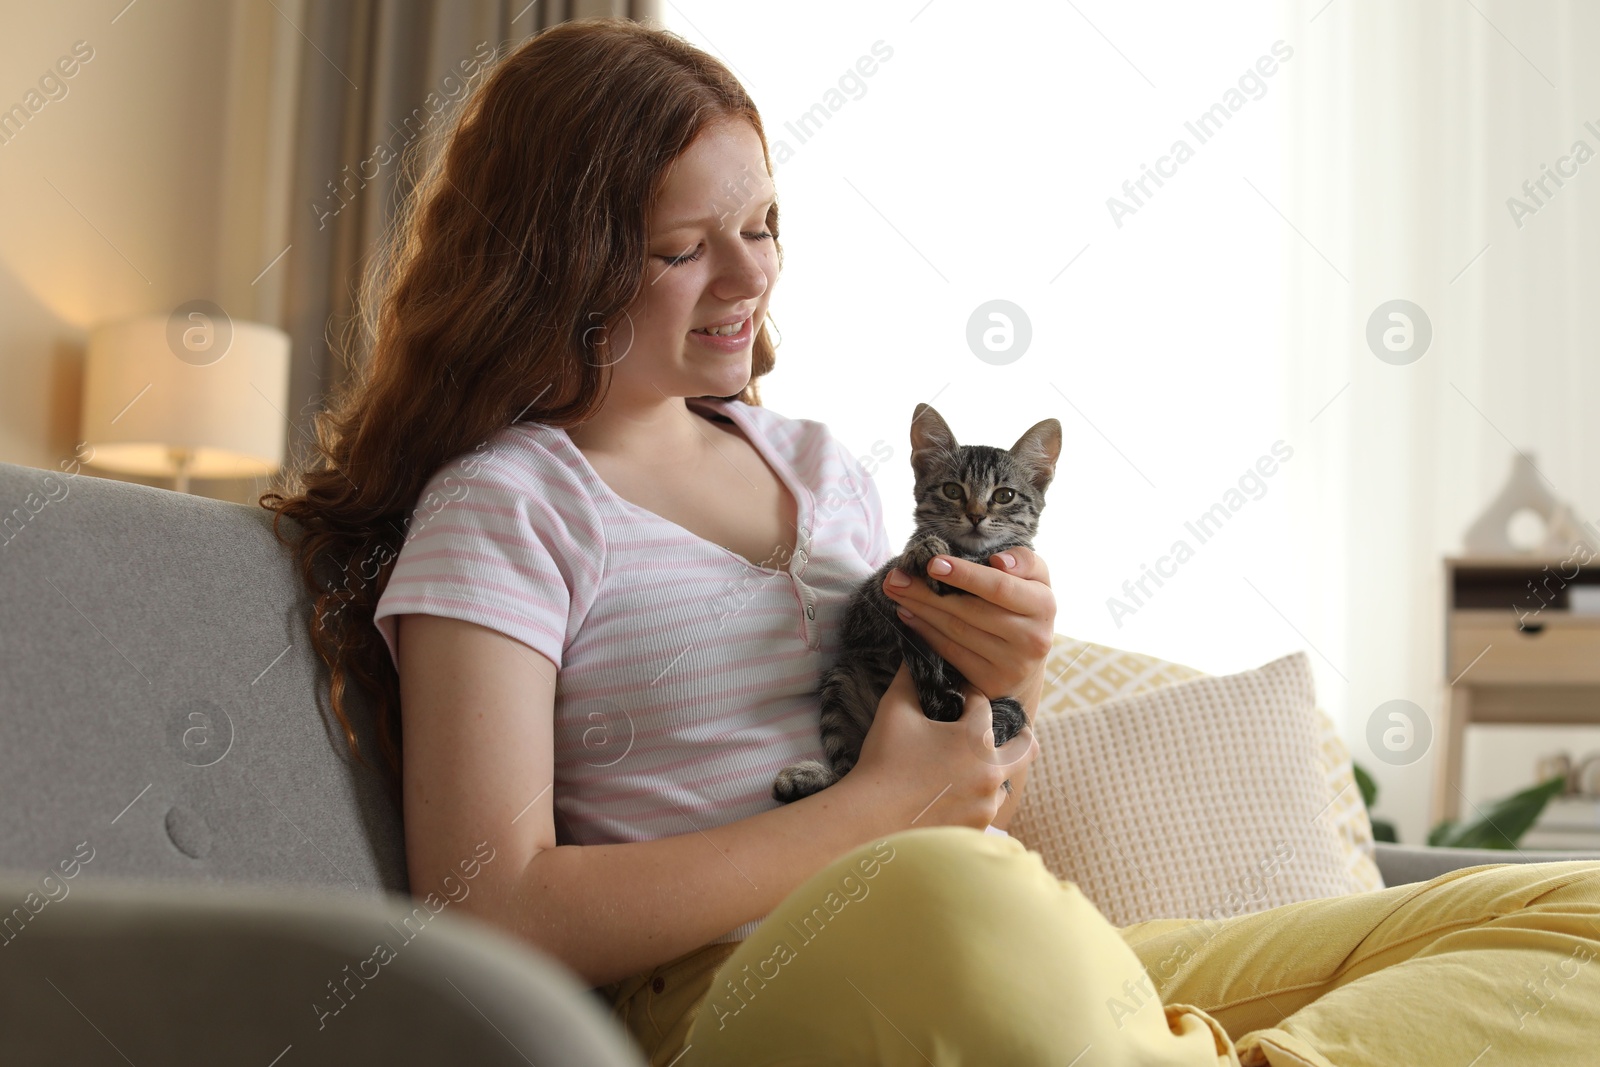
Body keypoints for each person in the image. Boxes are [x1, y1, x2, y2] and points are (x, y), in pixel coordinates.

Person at [260, 17, 1600, 1067]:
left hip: (1006, 942)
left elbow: (965, 781)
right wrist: (866, 821)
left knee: (1574, 909)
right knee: (936, 906)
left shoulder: (825, 470)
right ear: (557, 260)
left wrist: (1003, 679)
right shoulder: (506, 505)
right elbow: (491, 910)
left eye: (763, 224)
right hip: (752, 987)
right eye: (683, 249)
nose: (748, 279)